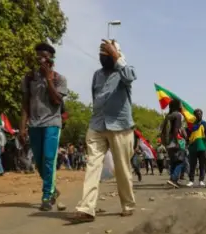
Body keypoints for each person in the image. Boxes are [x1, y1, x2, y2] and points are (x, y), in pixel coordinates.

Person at [70, 39, 137, 223]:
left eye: (107, 54)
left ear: (115, 55)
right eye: (101, 53)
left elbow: (130, 77)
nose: (102, 57)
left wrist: (116, 55)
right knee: (92, 165)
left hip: (120, 126)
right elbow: (95, 96)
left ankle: (128, 204)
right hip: (97, 125)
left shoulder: (124, 71)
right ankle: (86, 208)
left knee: (122, 168)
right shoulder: (97, 75)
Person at [21, 42, 68, 210]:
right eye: (38, 57)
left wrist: (48, 79)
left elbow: (56, 100)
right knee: (39, 163)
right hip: (34, 123)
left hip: (52, 123)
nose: (41, 61)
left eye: (45, 57)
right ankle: (53, 189)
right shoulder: (28, 78)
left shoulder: (59, 79)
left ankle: (46, 196)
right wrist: (22, 127)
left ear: (51, 60)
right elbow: (25, 103)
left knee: (49, 159)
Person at [161, 99, 188, 188]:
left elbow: (163, 130)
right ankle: (173, 179)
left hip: (168, 142)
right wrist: (177, 141)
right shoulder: (178, 115)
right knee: (180, 161)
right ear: (178, 106)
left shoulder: (168, 116)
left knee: (173, 161)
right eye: (180, 104)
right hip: (177, 140)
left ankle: (173, 181)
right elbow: (176, 129)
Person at [186, 109, 206, 187]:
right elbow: (187, 135)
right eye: (197, 114)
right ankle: (191, 180)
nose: (199, 115)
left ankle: (201, 180)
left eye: (200, 114)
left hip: (203, 147)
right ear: (195, 115)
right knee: (192, 165)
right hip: (193, 148)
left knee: (202, 165)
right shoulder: (191, 125)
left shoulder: (205, 124)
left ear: (202, 115)